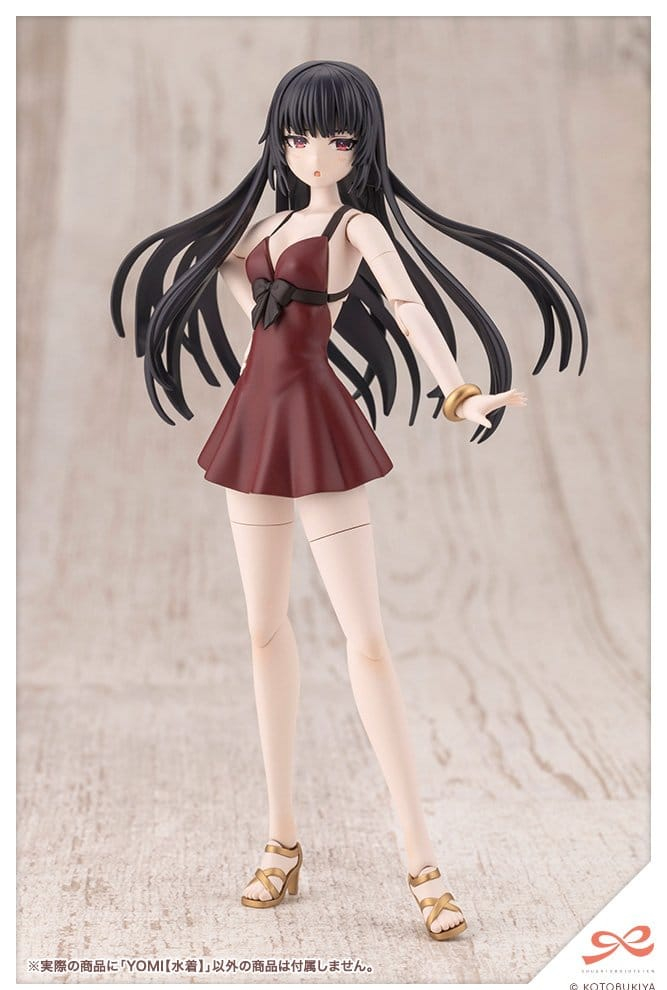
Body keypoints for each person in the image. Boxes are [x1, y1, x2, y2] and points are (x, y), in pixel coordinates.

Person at [110, 59, 587, 941]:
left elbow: (406, 306)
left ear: (361, 145)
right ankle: (281, 840)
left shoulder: (354, 225)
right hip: (253, 423)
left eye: (335, 138)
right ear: (278, 141)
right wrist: (235, 293)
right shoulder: (266, 224)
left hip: (316, 423)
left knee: (364, 639)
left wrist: (455, 391)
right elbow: (235, 281)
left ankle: (421, 862)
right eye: (298, 137)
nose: (315, 154)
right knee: (262, 630)